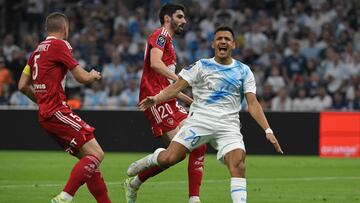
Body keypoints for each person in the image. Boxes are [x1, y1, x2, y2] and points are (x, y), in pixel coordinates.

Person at [131, 26, 283, 203]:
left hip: (228, 126)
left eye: (227, 39)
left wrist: (268, 130)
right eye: (219, 39)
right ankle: (154, 158)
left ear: (233, 45)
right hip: (199, 122)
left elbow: (253, 103)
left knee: (238, 164)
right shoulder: (201, 66)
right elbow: (175, 87)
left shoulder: (244, 71)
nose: (223, 41)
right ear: (213, 44)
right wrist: (156, 99)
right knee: (170, 158)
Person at [18, 12, 111, 203]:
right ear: (65, 28)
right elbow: (81, 77)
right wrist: (93, 75)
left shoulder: (36, 51)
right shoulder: (60, 45)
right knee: (97, 154)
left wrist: (42, 101)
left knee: (90, 164)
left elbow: (22, 86)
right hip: (57, 111)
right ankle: (65, 197)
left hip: (46, 115)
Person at [123, 3, 207, 203]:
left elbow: (170, 84)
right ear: (168, 18)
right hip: (155, 100)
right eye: (179, 16)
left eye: (184, 17)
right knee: (177, 152)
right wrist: (182, 81)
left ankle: (193, 198)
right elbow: (155, 63)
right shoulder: (161, 35)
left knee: (197, 143)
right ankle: (148, 164)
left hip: (169, 99)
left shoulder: (169, 42)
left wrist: (190, 100)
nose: (184, 21)